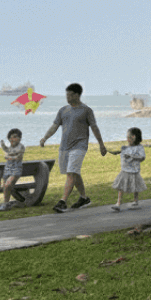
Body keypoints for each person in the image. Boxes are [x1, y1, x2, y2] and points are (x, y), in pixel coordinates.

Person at [40, 83, 107, 212]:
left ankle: (62, 201)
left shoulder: (86, 110)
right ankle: (84, 198)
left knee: (71, 173)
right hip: (65, 147)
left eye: (70, 95)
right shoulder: (63, 110)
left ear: (77, 95)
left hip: (79, 146)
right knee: (73, 173)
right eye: (66, 95)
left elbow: (94, 128)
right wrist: (44, 138)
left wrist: (101, 145)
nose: (68, 98)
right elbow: (54, 126)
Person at [110, 127, 147, 211]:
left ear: (134, 138)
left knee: (135, 186)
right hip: (125, 170)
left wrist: (133, 157)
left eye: (128, 137)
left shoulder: (139, 148)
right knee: (121, 186)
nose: (127, 139)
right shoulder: (126, 147)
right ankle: (118, 203)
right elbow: (123, 154)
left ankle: (135, 201)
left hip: (134, 170)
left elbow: (142, 157)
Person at [0, 129, 25, 211]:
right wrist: (2, 145)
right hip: (7, 169)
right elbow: (6, 152)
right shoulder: (9, 148)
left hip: (16, 169)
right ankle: (10, 201)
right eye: (11, 138)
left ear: (19, 138)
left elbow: (18, 156)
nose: (13, 139)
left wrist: (10, 157)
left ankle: (5, 204)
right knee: (6, 186)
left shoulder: (21, 147)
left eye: (15, 137)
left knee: (8, 185)